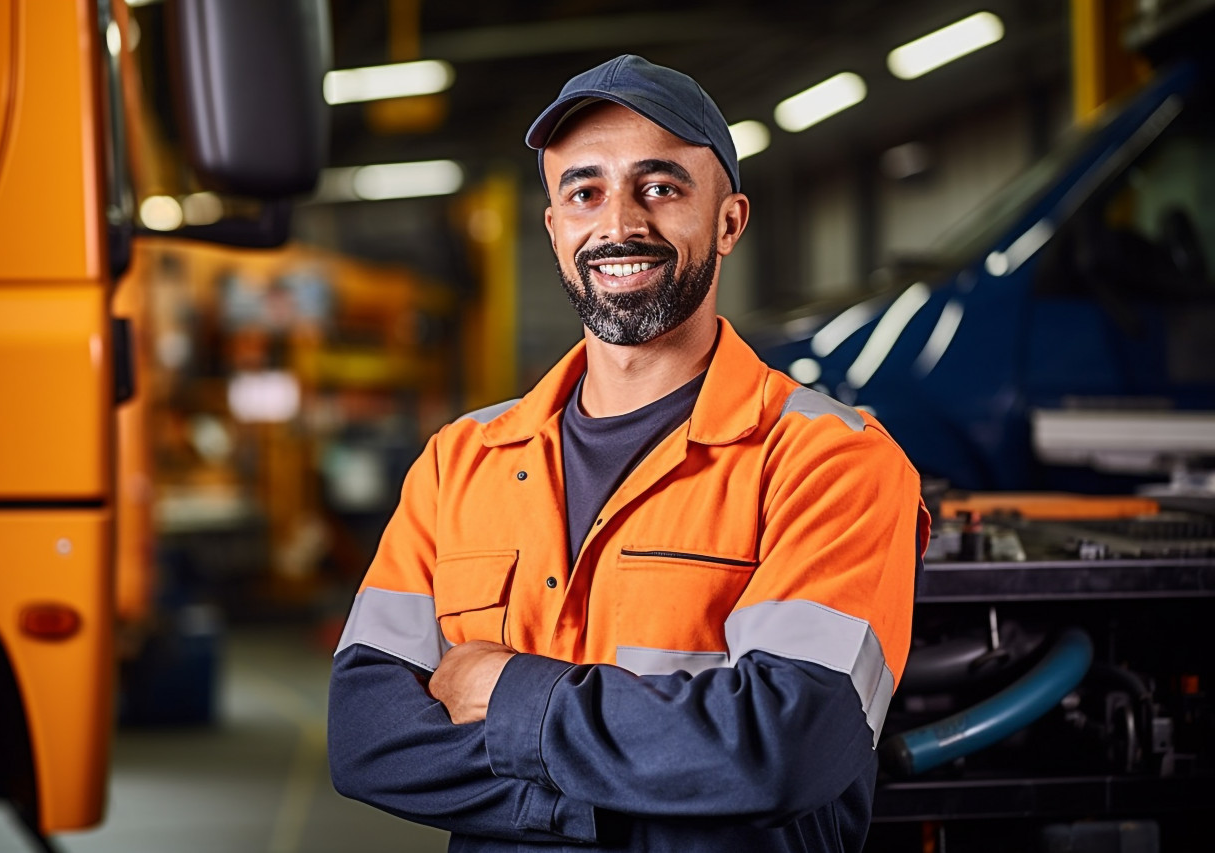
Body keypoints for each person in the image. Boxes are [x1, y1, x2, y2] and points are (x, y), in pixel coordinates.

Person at [328, 54, 931, 852]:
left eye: (661, 187)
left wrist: (506, 688)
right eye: (584, 191)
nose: (619, 224)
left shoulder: (830, 460)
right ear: (554, 229)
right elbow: (368, 737)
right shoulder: (458, 461)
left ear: (728, 221)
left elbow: (785, 749)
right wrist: (599, 806)